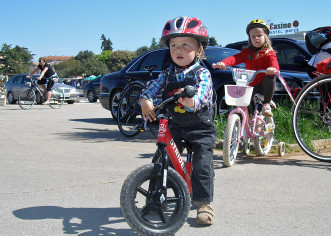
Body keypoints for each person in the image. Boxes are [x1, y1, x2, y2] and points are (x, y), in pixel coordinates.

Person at [139, 16, 217, 225]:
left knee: (202, 165)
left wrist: (191, 100)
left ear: (199, 49)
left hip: (201, 129)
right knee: (161, 160)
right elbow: (153, 86)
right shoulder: (167, 73)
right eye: (173, 45)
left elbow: (202, 94)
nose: (178, 50)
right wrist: (145, 99)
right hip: (176, 127)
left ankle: (204, 204)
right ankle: (156, 199)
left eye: (185, 44)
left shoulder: (202, 73)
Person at [213, 19, 279, 117]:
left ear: (265, 36)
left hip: (264, 87)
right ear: (250, 38)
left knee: (270, 77)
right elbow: (234, 58)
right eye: (253, 36)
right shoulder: (247, 52)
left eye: (259, 35)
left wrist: (273, 69)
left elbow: (274, 64)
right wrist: (223, 63)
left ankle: (266, 104)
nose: (256, 38)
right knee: (252, 112)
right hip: (251, 86)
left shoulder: (269, 53)